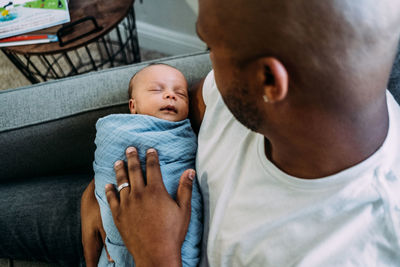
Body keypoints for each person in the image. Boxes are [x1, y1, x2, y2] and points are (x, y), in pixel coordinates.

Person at [81, 0, 400, 266]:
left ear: (268, 81)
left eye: (211, 46)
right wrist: (109, 179)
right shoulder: (330, 91)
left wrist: (156, 254)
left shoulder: (352, 251)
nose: (208, 64)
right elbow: (174, 117)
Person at [89, 63, 202, 266]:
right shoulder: (118, 130)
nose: (171, 95)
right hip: (115, 212)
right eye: (157, 90)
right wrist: (93, 195)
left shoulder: (185, 136)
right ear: (133, 106)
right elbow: (108, 162)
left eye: (181, 94)